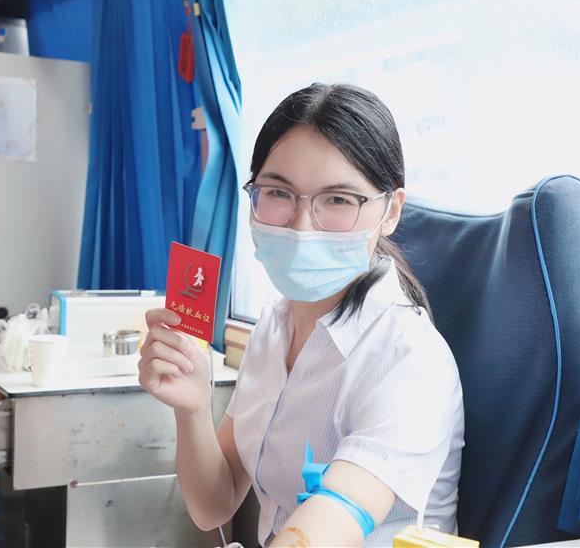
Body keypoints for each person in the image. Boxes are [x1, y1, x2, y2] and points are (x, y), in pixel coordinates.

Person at [139, 83, 464, 547]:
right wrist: (192, 408)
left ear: (390, 211)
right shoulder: (274, 328)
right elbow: (215, 504)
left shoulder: (409, 357)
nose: (301, 226)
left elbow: (339, 514)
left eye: (338, 200)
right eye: (279, 192)